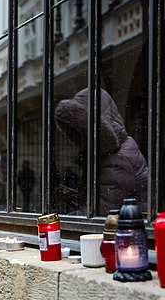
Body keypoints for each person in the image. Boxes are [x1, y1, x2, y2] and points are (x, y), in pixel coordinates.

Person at [54, 88, 148, 216]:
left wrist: (59, 222)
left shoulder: (116, 160)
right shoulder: (117, 150)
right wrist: (75, 197)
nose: (78, 140)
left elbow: (99, 215)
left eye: (80, 132)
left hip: (128, 233)